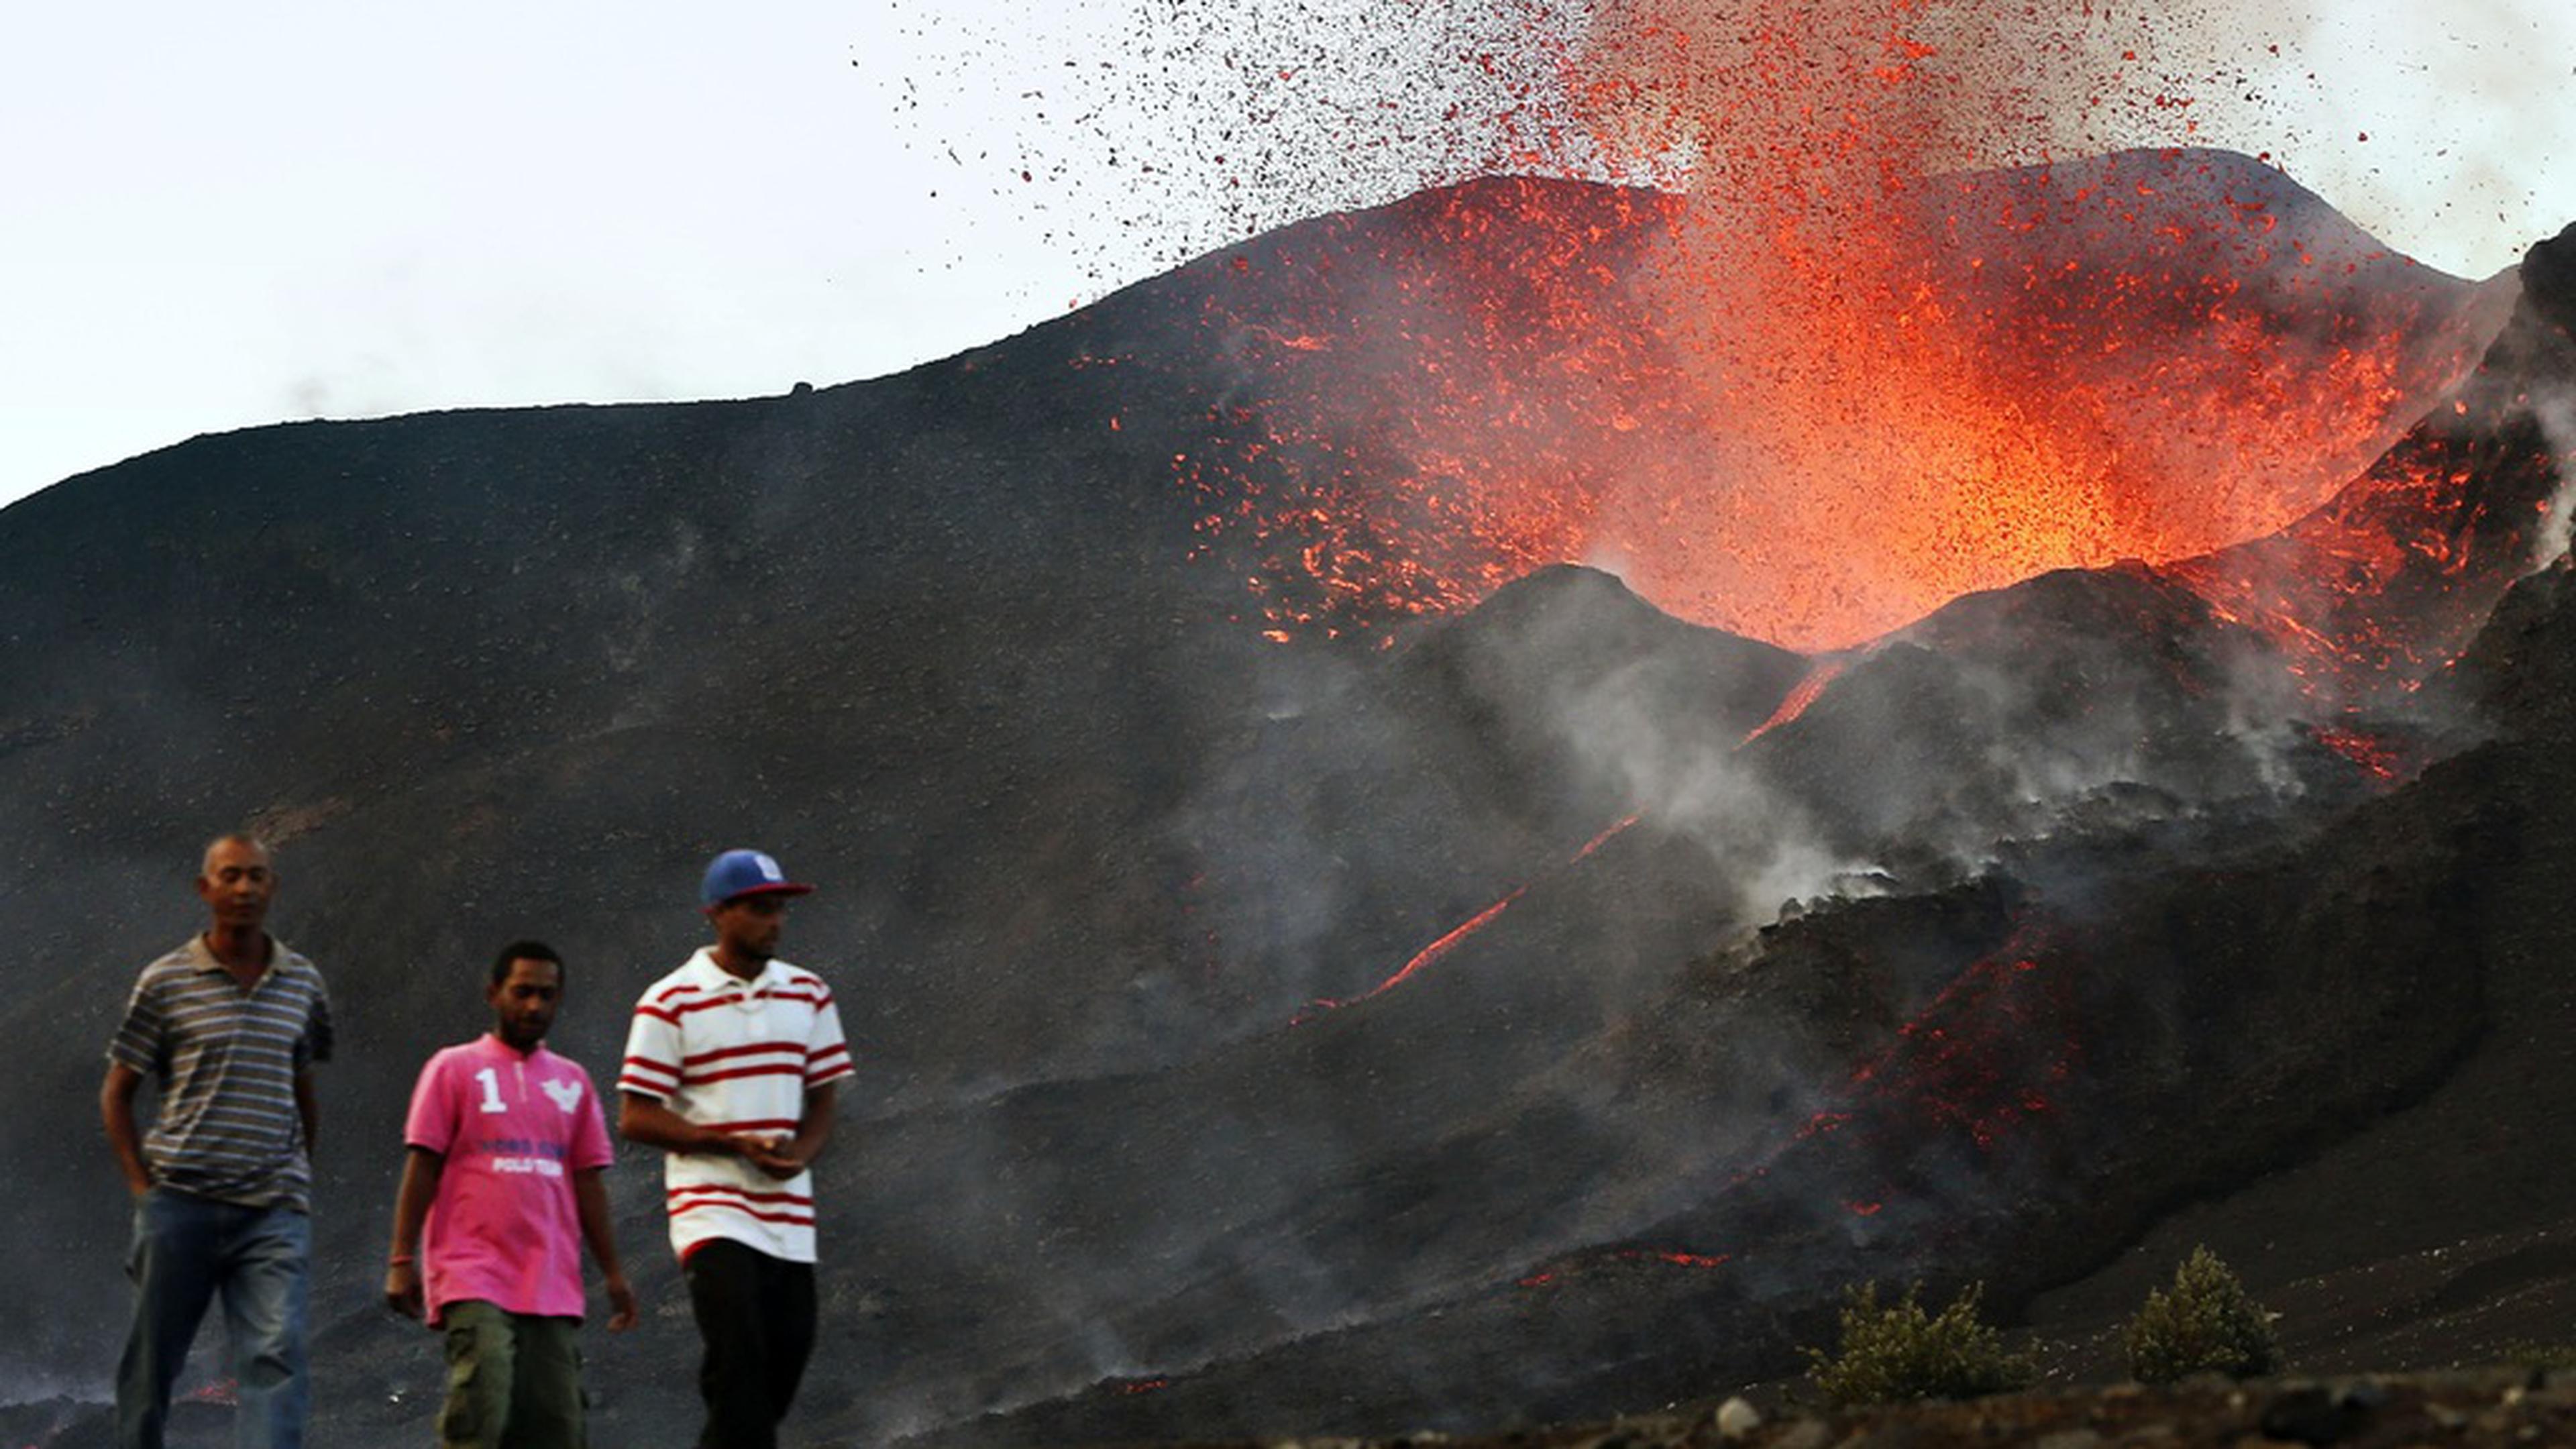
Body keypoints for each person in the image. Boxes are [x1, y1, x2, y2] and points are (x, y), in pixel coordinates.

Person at [101, 833, 334, 1449]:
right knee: (151, 1367)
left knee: (275, 1363)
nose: (244, 888)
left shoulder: (302, 983)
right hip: (181, 1202)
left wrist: (292, 1184)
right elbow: (117, 1093)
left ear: (272, 888)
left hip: (271, 1211)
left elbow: (304, 1090)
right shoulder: (166, 982)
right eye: (230, 876)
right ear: (205, 890)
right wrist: (143, 1192)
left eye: (256, 876)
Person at [618, 849, 854, 1449]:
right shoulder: (670, 1000)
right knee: (741, 1352)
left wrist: (802, 1153)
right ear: (718, 914)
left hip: (789, 1214)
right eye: (759, 909)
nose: (774, 921)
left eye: (779, 909)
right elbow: (636, 1116)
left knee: (785, 1354)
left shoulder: (809, 994)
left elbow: (824, 1097)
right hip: (712, 1209)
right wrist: (730, 1144)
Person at [385, 941, 639, 1448]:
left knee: (558, 1425)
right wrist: (400, 1258)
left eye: (547, 996)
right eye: (522, 992)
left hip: (550, 1280)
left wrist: (613, 1273)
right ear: (493, 993)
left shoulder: (573, 1083)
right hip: (473, 1270)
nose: (534, 1007)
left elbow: (588, 1182)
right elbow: (423, 1165)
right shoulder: (454, 1069)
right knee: (485, 1394)